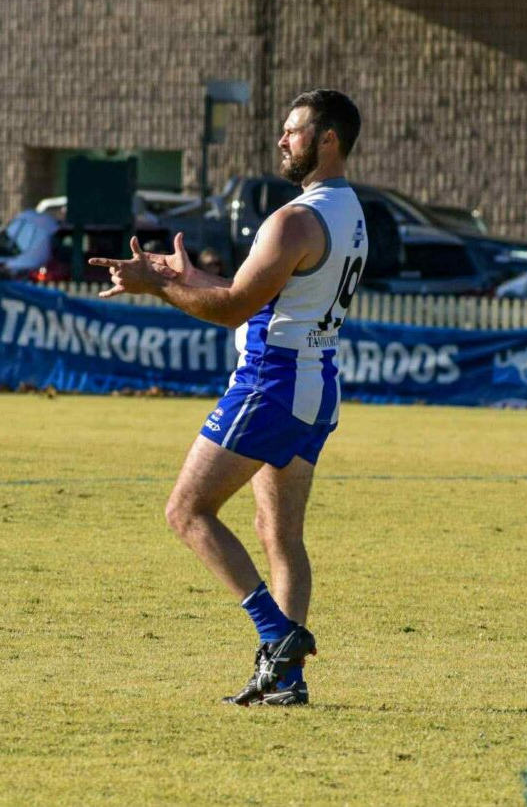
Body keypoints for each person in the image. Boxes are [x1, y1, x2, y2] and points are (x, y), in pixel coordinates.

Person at [89, 89, 368, 706]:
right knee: (280, 534)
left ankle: (278, 635)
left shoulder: (294, 219)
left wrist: (155, 287)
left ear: (328, 140)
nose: (282, 140)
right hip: (317, 382)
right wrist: (184, 276)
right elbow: (263, 290)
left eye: (294, 130)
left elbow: (236, 308)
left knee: (186, 512)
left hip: (272, 381)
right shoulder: (348, 211)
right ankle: (286, 681)